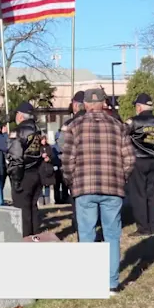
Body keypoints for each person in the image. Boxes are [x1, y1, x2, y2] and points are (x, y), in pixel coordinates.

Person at [62, 88, 135, 295]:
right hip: (112, 187)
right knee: (112, 235)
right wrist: (121, 177)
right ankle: (111, 283)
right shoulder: (118, 126)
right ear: (104, 104)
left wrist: (70, 181)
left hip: (84, 187)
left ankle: (89, 282)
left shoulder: (74, 126)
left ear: (84, 104)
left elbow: (68, 160)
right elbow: (129, 158)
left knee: (87, 234)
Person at [126, 93, 154, 237]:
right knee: (151, 195)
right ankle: (153, 226)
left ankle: (143, 228)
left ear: (139, 106)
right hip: (153, 160)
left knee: (138, 195)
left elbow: (121, 133)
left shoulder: (134, 121)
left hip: (138, 160)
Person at [7, 103, 44, 236]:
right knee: (33, 208)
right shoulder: (37, 130)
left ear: (20, 115)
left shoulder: (18, 131)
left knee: (22, 211)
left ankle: (26, 238)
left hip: (23, 174)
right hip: (36, 172)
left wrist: (16, 179)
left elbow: (15, 157)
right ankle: (35, 237)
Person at [56, 91, 86, 234]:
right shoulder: (96, 120)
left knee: (76, 197)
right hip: (94, 167)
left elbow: (62, 144)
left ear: (75, 105)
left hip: (75, 167)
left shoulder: (69, 124)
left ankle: (78, 224)